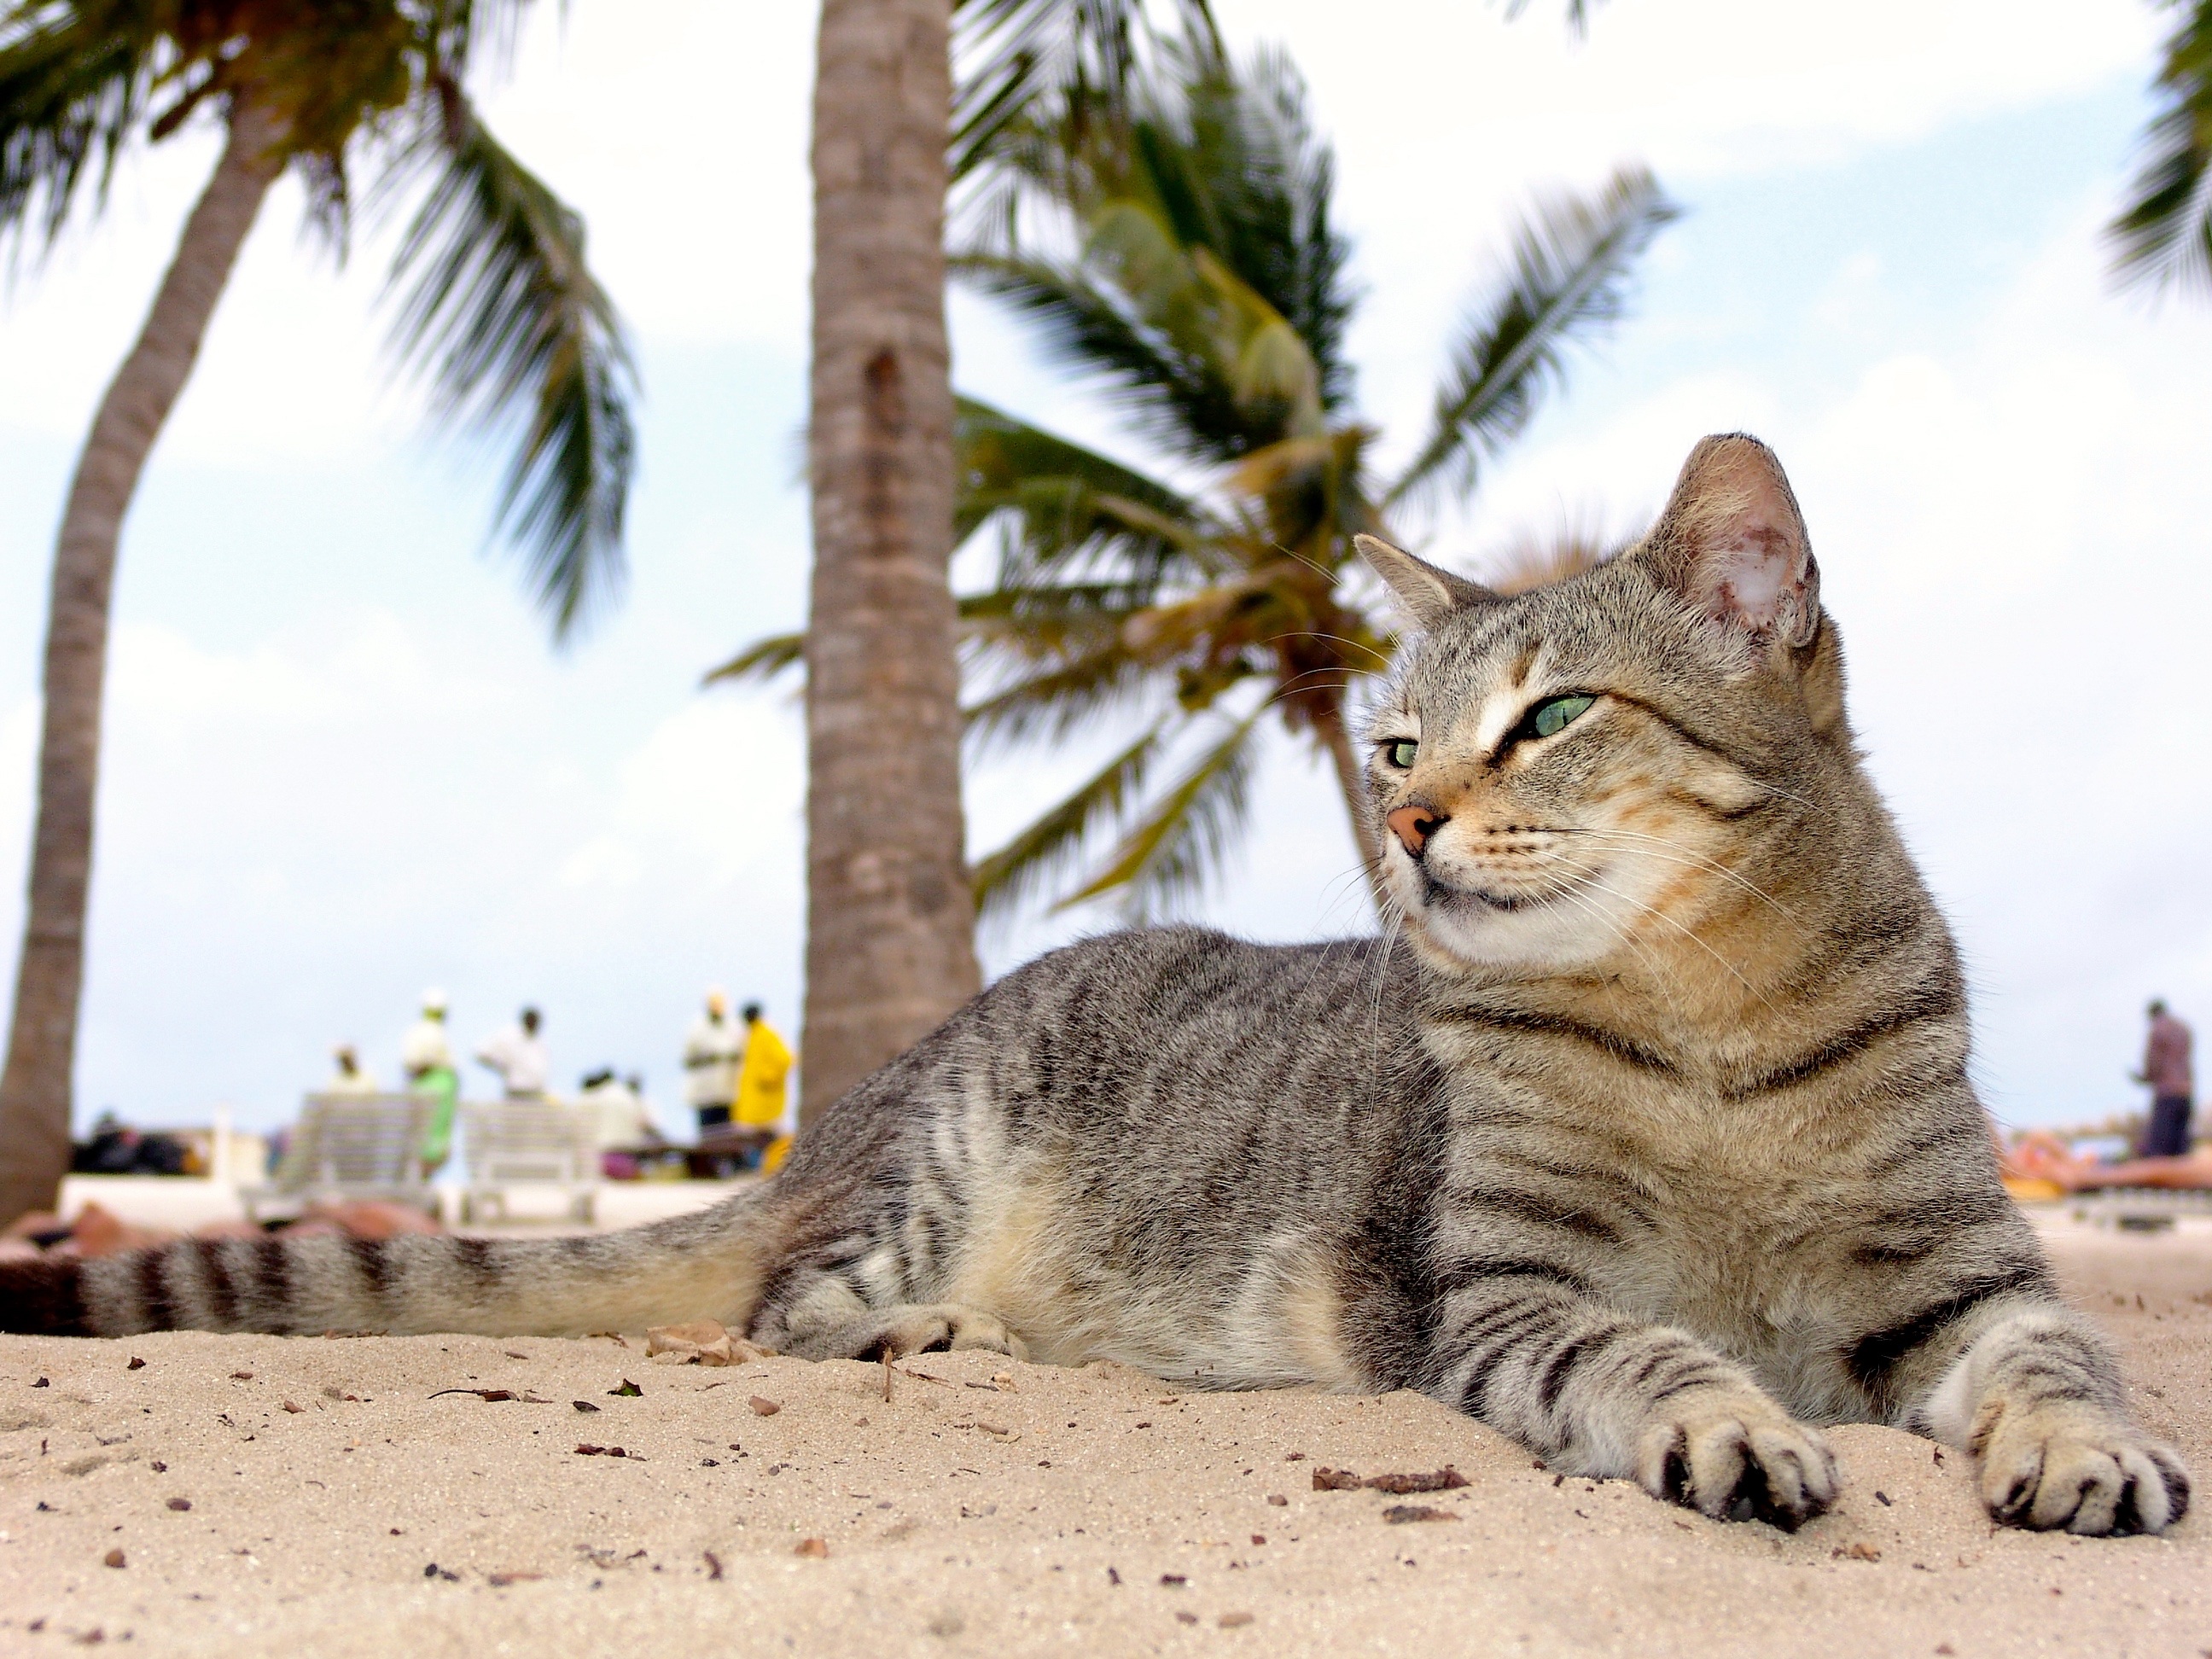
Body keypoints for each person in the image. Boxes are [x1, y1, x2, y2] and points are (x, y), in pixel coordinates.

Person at [401, 988, 460, 1174]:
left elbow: (411, 1064)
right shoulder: (434, 1034)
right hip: (436, 1101)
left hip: (424, 1103)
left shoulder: (416, 1032)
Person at [733, 1002, 795, 1164]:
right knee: (754, 1137)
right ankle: (760, 1166)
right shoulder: (752, 1035)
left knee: (767, 1137)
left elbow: (785, 1059)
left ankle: (772, 1165)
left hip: (765, 1098)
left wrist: (769, 1079)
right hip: (755, 1097)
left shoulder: (767, 1034)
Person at [2135, 998, 2195, 1158]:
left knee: (2160, 1150)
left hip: (2167, 1093)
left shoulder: (2158, 1030)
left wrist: (2144, 1077)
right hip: (2186, 1092)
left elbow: (2153, 1064)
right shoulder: (2183, 1028)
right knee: (2181, 1150)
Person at [682, 988, 743, 1141]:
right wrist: (708, 1058)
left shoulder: (734, 1027)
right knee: (708, 1136)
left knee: (729, 1134)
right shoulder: (697, 1029)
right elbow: (687, 1060)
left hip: (729, 1092)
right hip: (705, 1093)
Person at [476, 1006, 550, 1100]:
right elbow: (481, 1052)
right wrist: (501, 1067)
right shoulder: (509, 1036)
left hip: (537, 1093)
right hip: (516, 1092)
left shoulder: (539, 1042)